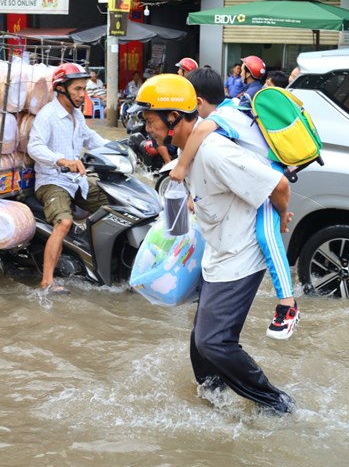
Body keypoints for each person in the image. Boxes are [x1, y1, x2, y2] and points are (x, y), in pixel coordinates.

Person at [132, 74, 295, 414]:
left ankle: (276, 404)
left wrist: (281, 218)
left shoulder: (214, 152)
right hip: (216, 251)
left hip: (241, 255)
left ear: (173, 117)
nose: (149, 130)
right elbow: (184, 219)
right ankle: (213, 402)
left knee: (214, 341)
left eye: (151, 121)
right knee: (199, 343)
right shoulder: (185, 157)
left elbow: (278, 185)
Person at [170, 67, 300, 340]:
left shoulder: (221, 116)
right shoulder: (234, 108)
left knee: (268, 238)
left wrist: (181, 167)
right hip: (265, 177)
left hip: (271, 178)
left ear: (197, 103)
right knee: (269, 235)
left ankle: (288, 305)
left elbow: (200, 131)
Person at [27, 63, 110, 295]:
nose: (83, 94)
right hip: (52, 182)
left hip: (77, 181)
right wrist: (62, 161)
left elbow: (92, 140)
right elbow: (35, 147)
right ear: (61, 89)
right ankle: (47, 281)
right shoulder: (48, 116)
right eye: (77, 89)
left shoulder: (76, 116)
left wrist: (121, 149)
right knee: (63, 222)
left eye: (84, 89)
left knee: (115, 202)